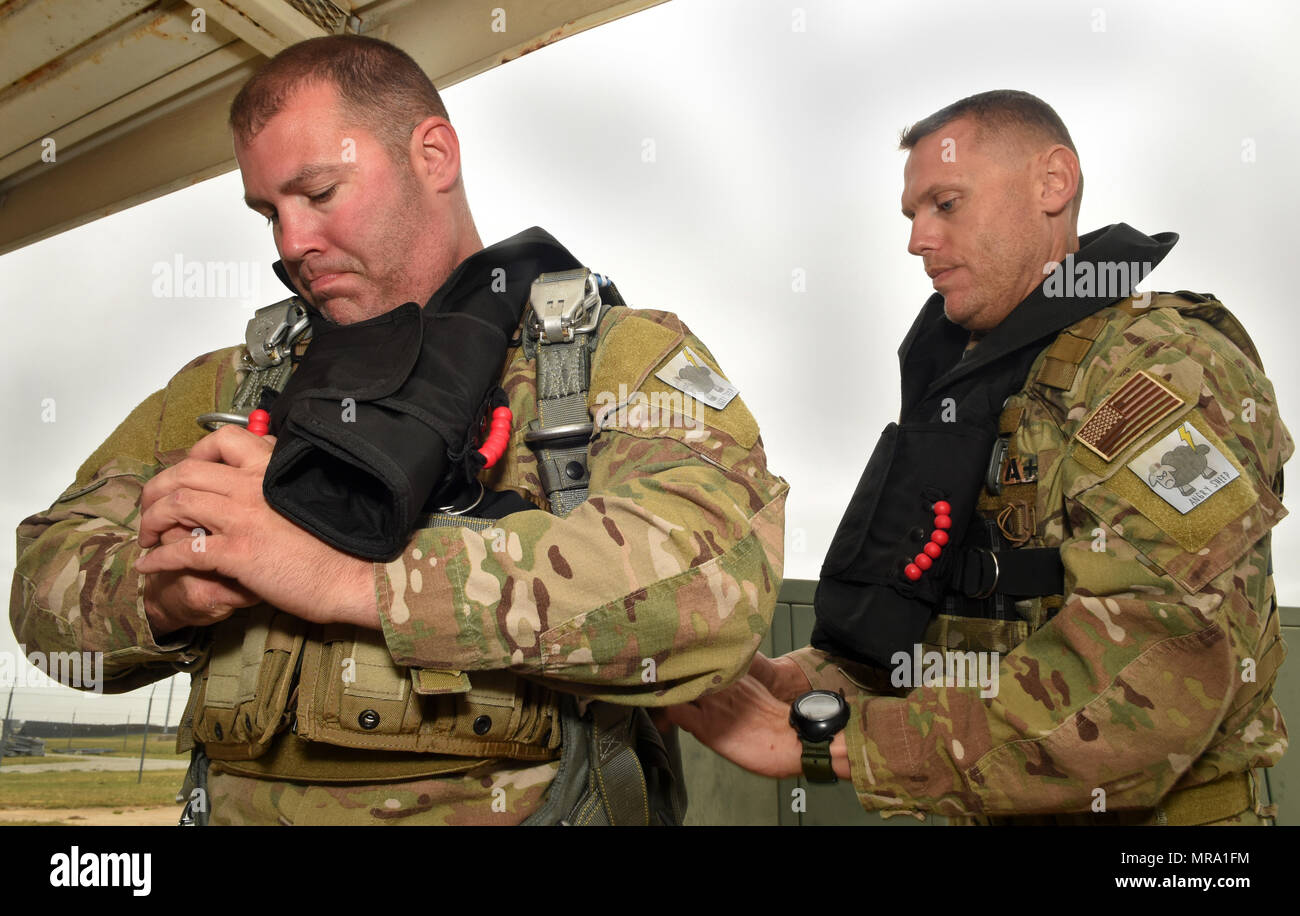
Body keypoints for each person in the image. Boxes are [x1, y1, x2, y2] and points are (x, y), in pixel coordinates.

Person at [9, 35, 788, 825]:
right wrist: (165, 594)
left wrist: (350, 577)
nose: (291, 243)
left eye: (319, 193)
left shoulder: (604, 363)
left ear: (434, 154)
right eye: (268, 212)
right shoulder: (232, 385)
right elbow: (42, 585)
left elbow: (716, 586)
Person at [668, 90, 1291, 826]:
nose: (917, 240)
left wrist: (831, 745)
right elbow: (948, 632)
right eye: (912, 215)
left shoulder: (1158, 368)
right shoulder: (978, 381)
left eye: (947, 204)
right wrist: (797, 683)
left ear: (1052, 183)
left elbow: (1159, 670)